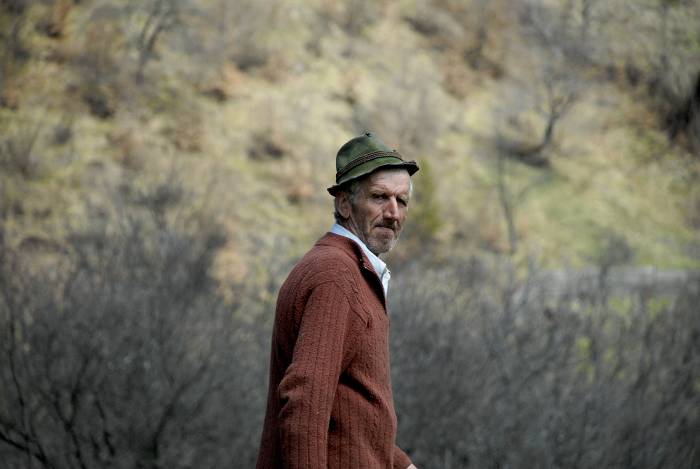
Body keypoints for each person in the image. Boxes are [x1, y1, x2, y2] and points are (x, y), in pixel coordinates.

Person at [255, 132, 420, 469]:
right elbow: (305, 402)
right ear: (344, 203)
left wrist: (401, 464)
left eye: (401, 201)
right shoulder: (335, 276)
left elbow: (353, 408)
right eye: (379, 197)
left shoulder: (351, 271)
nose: (393, 213)